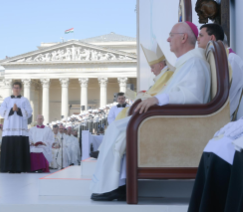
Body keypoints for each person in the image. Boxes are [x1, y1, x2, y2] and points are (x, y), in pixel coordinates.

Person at [90, 21, 211, 201]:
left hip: (181, 124)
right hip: (173, 119)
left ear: (184, 38)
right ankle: (116, 183)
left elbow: (191, 96)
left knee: (120, 128)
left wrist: (157, 99)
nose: (168, 39)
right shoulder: (187, 63)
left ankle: (116, 185)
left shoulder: (194, 62)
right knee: (119, 127)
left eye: (171, 35)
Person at [197, 23, 243, 120]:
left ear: (212, 38)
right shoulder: (216, 59)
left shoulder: (231, 60)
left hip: (221, 120)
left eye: (201, 35)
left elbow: (228, 96)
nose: (198, 39)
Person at [0, 81, 32, 173]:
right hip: (9, 128)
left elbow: (29, 112)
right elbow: (1, 111)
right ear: (12, 89)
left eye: (18, 88)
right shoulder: (6, 100)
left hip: (20, 128)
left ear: (21, 89)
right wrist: (11, 110)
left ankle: (20, 167)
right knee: (9, 148)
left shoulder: (25, 100)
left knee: (19, 148)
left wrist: (18, 110)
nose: (16, 89)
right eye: (14, 87)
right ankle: (7, 167)